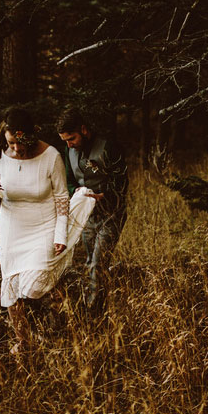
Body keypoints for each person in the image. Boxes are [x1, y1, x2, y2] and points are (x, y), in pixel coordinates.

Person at [0, 107, 94, 353]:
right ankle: (24, 342)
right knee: (12, 288)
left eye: (17, 142)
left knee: (35, 286)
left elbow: (61, 197)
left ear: (29, 137)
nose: (14, 148)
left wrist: (60, 235)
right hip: (11, 228)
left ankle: (59, 309)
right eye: (9, 142)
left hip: (43, 225)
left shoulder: (51, 156)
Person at [56, 108, 128, 310]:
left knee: (98, 262)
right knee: (88, 261)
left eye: (72, 138)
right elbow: (69, 180)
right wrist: (76, 191)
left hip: (111, 213)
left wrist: (104, 194)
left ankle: (94, 310)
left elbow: (122, 182)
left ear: (84, 130)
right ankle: (96, 303)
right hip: (86, 215)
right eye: (65, 141)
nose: (69, 144)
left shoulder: (108, 147)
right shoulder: (68, 150)